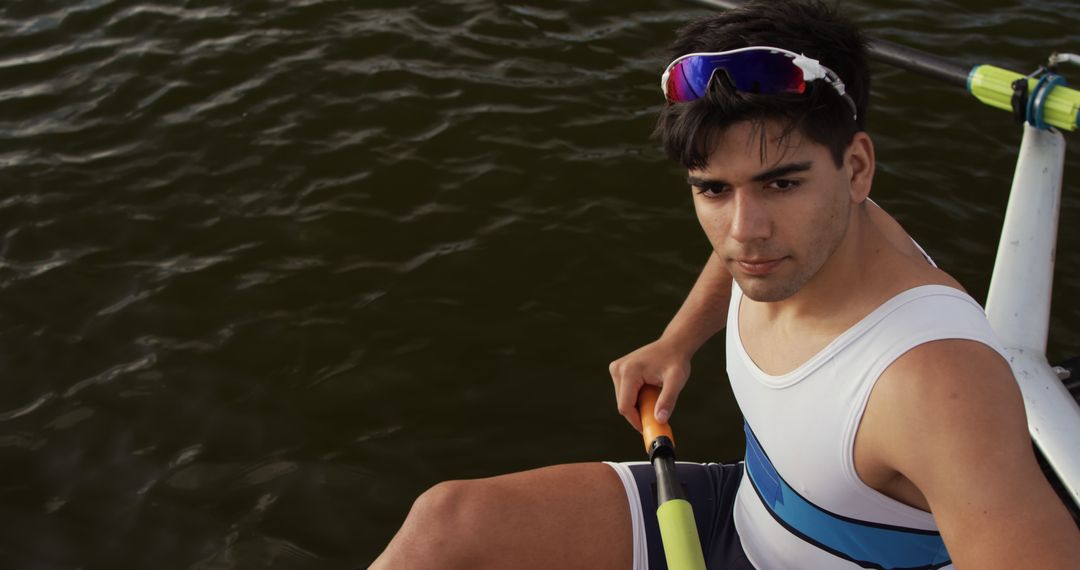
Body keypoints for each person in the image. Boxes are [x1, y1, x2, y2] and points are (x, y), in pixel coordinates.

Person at [371, 1, 1080, 568]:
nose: (744, 230)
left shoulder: (934, 384)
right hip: (736, 514)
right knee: (447, 525)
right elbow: (739, 258)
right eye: (712, 189)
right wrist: (678, 341)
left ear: (857, 168)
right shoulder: (807, 230)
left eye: (780, 182)